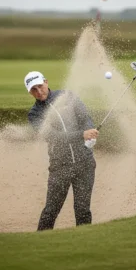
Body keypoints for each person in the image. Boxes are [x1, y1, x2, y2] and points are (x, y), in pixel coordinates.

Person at [24, 71, 99, 231]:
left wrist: (90, 134)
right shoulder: (34, 114)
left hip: (84, 164)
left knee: (83, 211)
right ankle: (41, 245)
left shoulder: (67, 96)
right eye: (33, 90)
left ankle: (83, 245)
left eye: (40, 86)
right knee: (50, 211)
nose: (38, 91)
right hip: (60, 167)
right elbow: (52, 136)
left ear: (46, 81)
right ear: (30, 93)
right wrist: (81, 135)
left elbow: (84, 117)